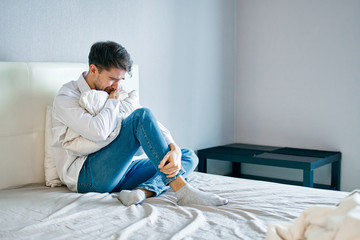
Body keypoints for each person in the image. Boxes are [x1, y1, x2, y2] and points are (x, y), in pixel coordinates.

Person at [52, 41, 228, 206]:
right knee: (139, 117)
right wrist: (113, 101)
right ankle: (182, 189)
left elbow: (152, 125)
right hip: (87, 176)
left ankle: (142, 192)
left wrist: (173, 148)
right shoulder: (67, 97)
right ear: (93, 69)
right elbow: (98, 132)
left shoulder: (114, 90)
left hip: (121, 171)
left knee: (187, 156)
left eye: (121, 80)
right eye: (113, 79)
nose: (117, 86)